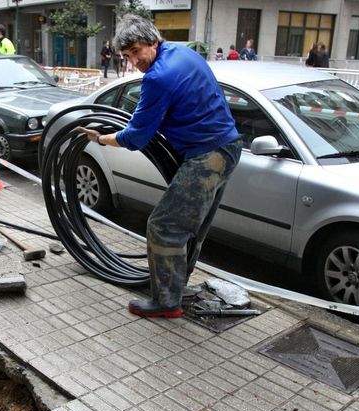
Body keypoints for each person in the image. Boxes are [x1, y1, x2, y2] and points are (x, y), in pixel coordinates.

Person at [78, 14, 242, 319]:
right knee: (190, 227)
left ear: (154, 41)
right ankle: (175, 286)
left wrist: (102, 138)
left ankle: (167, 302)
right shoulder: (183, 53)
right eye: (127, 56)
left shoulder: (158, 77)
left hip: (207, 154)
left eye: (137, 52)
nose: (134, 62)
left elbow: (138, 136)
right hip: (228, 146)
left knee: (164, 226)